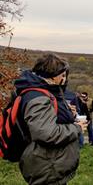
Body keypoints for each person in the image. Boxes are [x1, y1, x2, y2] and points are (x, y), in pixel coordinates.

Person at [14, 53, 86, 184]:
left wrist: (68, 113)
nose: (64, 79)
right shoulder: (38, 98)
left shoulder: (42, 92)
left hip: (51, 164)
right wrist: (77, 128)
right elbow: (47, 134)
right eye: (62, 75)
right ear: (53, 75)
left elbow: (47, 119)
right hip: (47, 167)